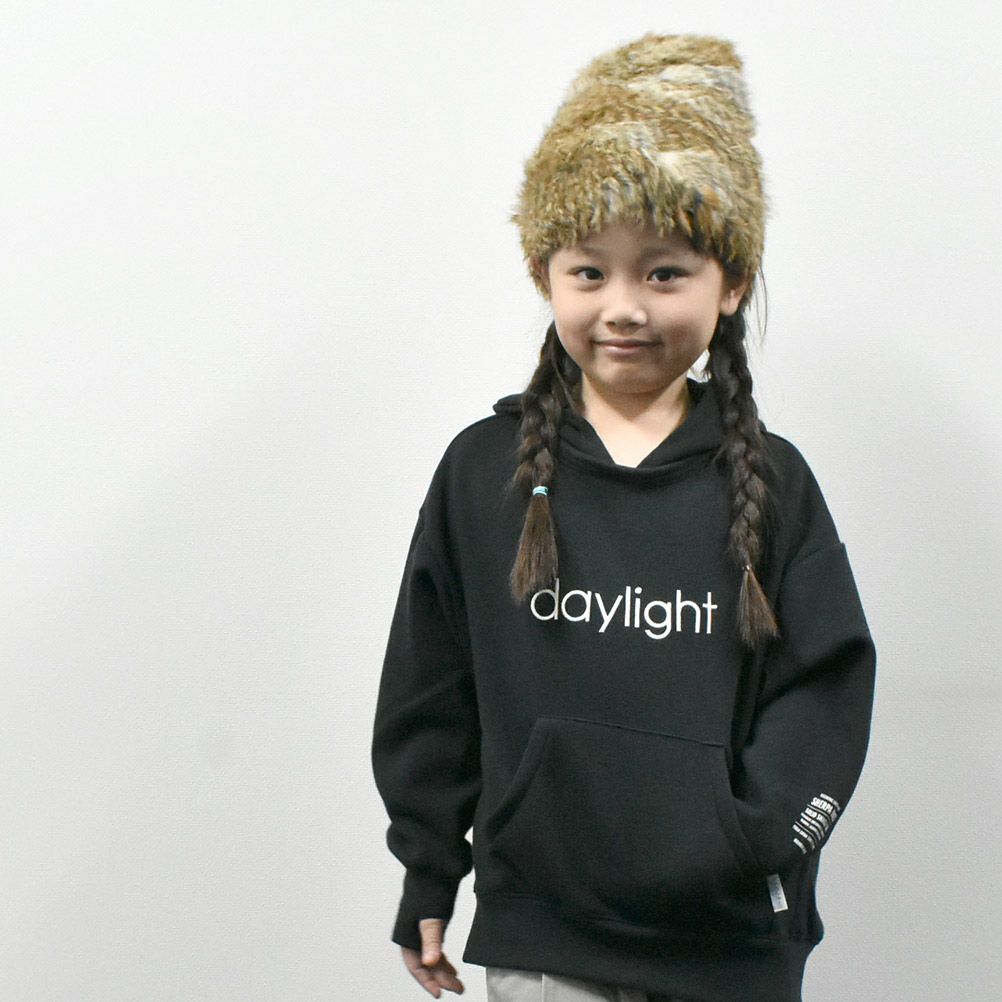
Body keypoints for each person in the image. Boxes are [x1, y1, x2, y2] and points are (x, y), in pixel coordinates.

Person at [370, 31, 876, 1002]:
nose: (625, 307)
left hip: (728, 946)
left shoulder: (776, 481)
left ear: (731, 282)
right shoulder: (482, 474)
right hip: (548, 942)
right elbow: (430, 688)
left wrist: (758, 840)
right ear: (545, 275)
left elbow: (826, 692)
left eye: (665, 272)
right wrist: (428, 868)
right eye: (590, 272)